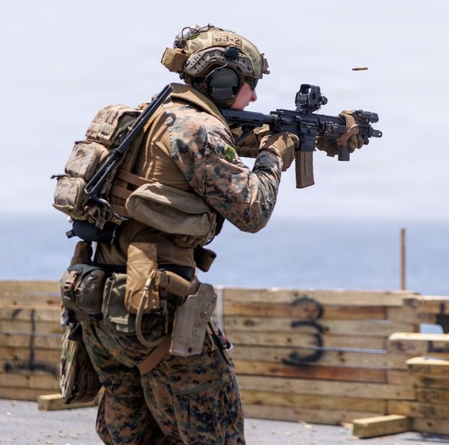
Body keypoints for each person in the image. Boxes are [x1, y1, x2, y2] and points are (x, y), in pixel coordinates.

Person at [75, 24, 299, 444]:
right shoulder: (198, 129)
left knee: (136, 438)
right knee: (217, 435)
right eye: (248, 86)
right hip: (154, 309)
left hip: (100, 303)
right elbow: (252, 211)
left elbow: (206, 154)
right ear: (223, 81)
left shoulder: (149, 117)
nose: (253, 97)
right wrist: (272, 157)